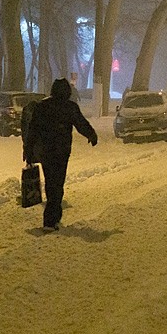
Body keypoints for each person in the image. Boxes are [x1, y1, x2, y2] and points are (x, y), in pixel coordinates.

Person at [23, 78, 98, 232]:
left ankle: (52, 218)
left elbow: (33, 130)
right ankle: (51, 220)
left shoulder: (42, 106)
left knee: (51, 182)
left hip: (45, 151)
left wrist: (28, 150)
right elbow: (81, 123)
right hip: (61, 152)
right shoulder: (69, 107)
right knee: (57, 184)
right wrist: (91, 135)